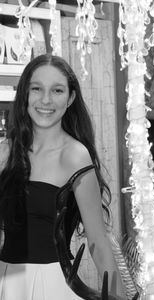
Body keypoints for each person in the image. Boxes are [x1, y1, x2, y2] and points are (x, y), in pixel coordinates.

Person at [0, 54, 126, 300]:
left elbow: (98, 242)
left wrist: (118, 298)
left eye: (57, 90)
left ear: (70, 98)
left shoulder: (75, 156)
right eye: (37, 89)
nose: (45, 100)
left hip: (52, 283)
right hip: (5, 280)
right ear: (25, 93)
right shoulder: (4, 151)